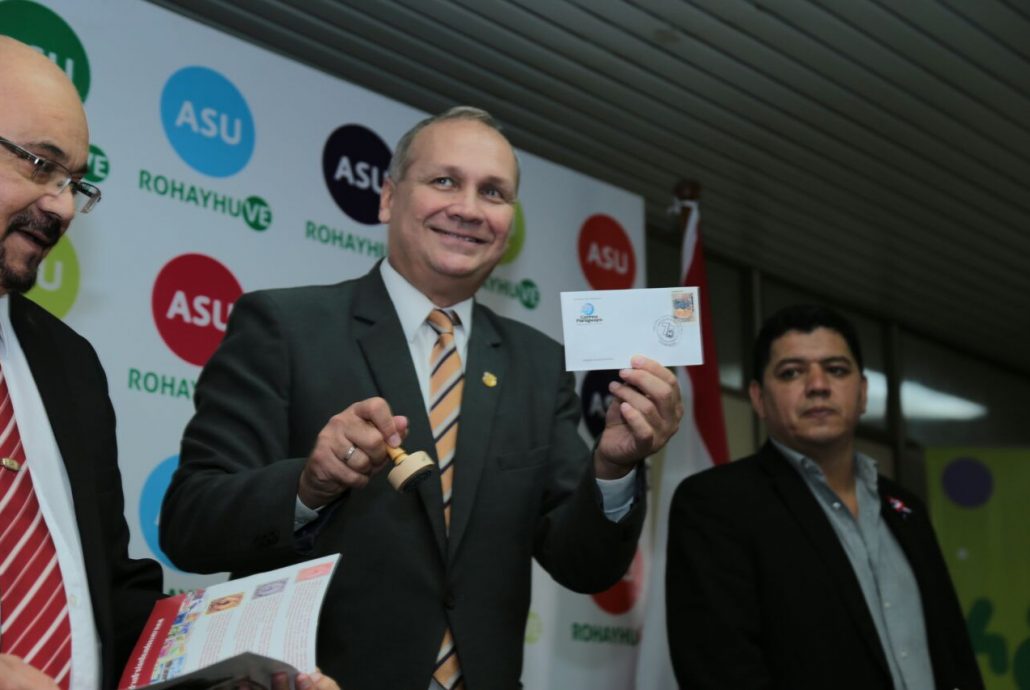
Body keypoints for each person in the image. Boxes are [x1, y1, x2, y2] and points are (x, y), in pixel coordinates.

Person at [160, 106, 682, 689]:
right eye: (444, 181)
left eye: (493, 192)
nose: (468, 208)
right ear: (388, 198)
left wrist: (614, 467)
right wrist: (308, 486)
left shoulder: (538, 365)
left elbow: (584, 565)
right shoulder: (285, 327)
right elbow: (189, 524)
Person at [0, 36, 338, 690]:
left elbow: (108, 597)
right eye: (41, 166)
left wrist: (229, 671)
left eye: (75, 183)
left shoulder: (67, 363)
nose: (63, 206)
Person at [665, 304, 983, 689]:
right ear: (758, 398)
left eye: (836, 370)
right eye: (791, 372)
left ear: (862, 393)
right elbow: (719, 671)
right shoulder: (716, 504)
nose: (818, 385)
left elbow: (955, 654)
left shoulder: (906, 509)